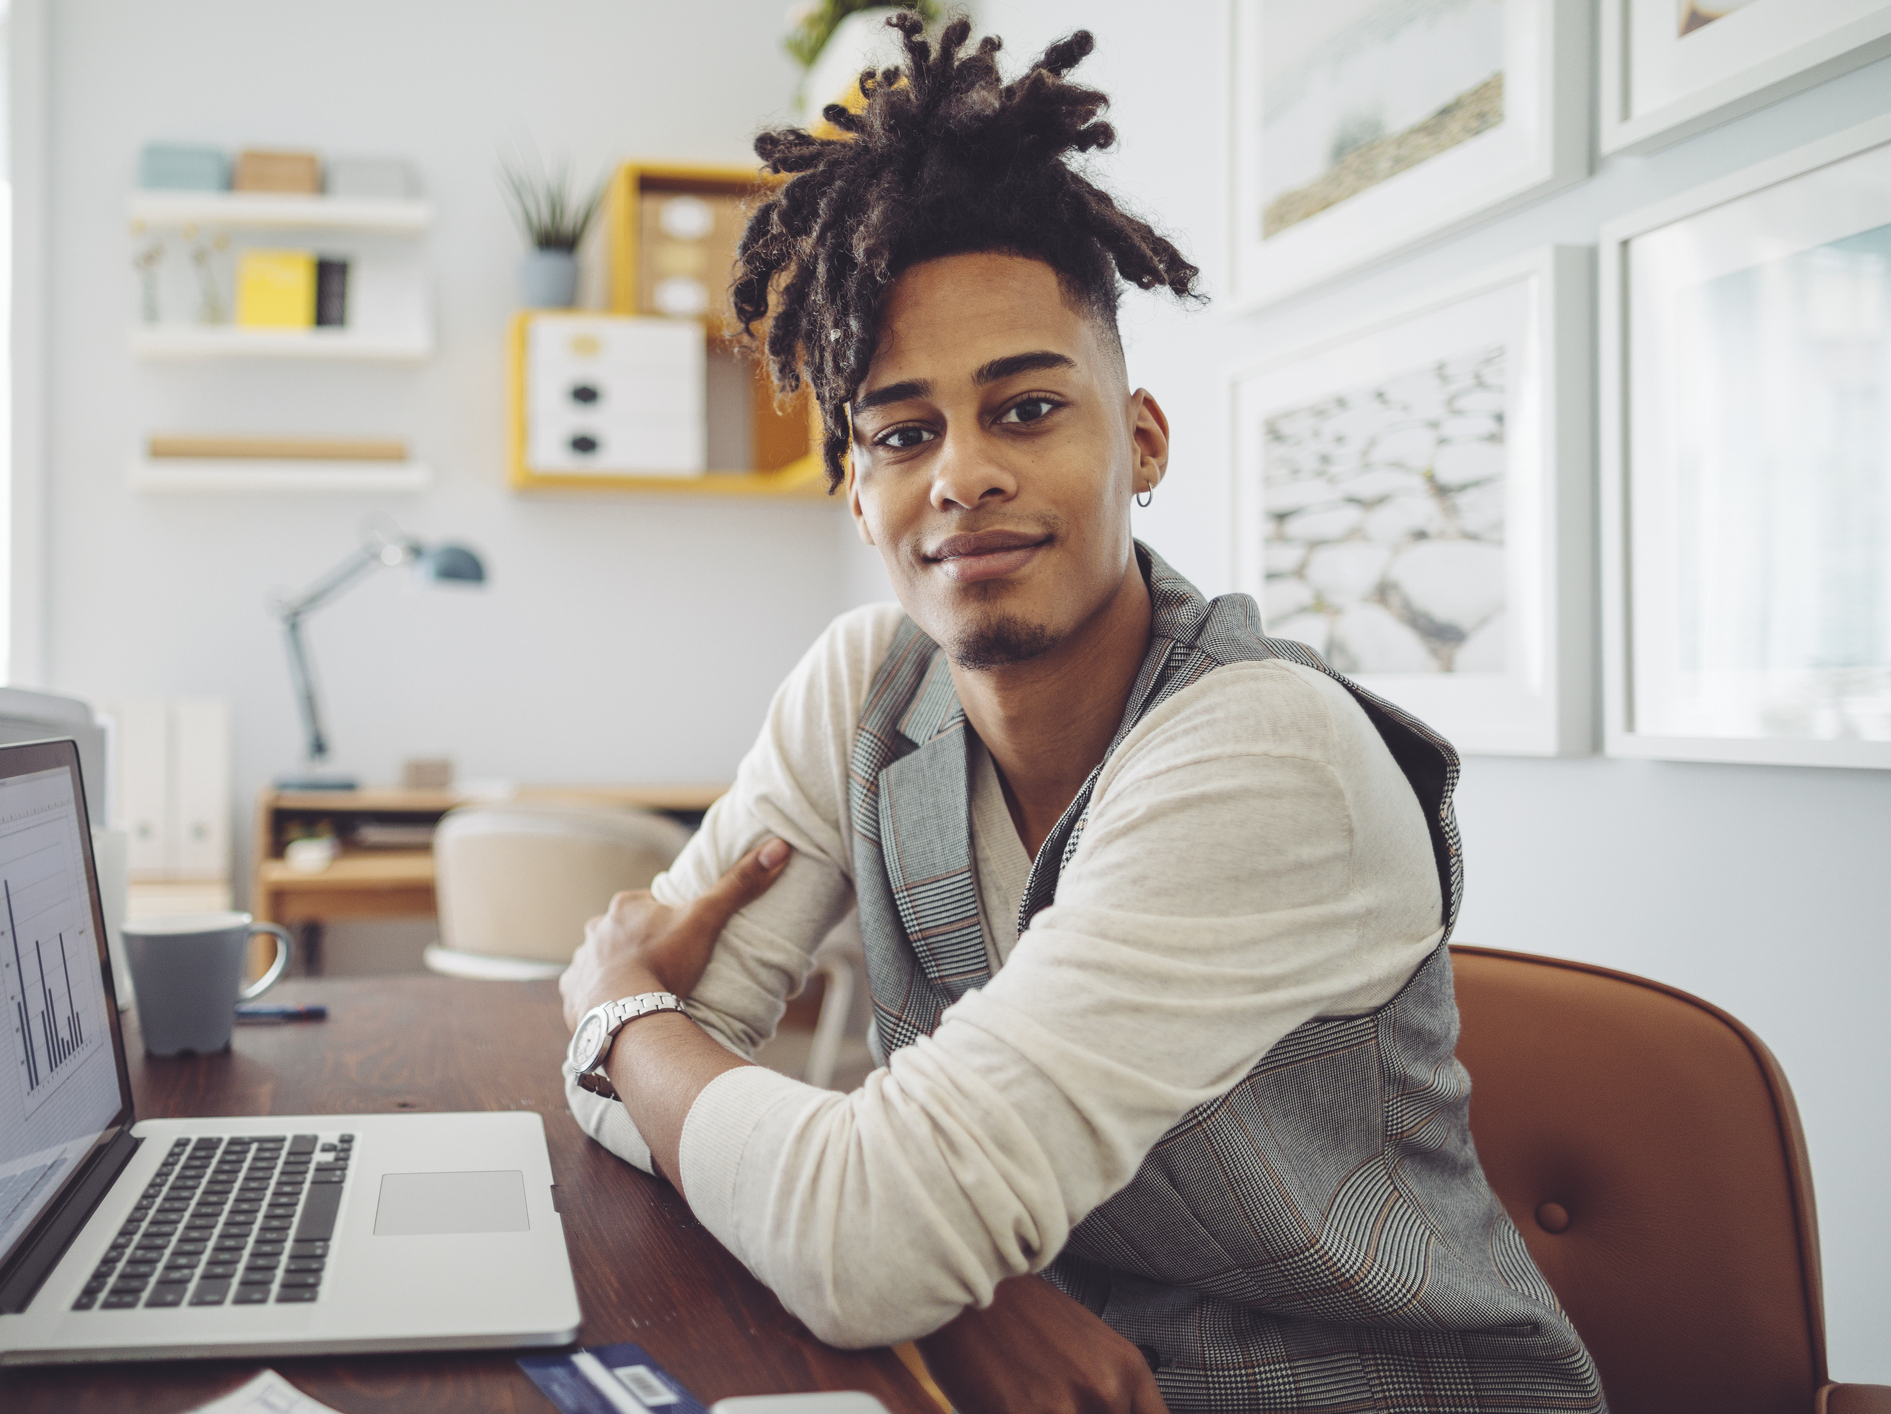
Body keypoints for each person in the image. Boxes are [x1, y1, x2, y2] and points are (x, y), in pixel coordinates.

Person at [558, 17, 1604, 1413]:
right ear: (855, 490)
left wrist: (611, 1005)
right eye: (902, 431)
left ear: (1141, 437)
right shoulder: (862, 693)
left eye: (1028, 405)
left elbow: (774, 1164)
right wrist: (969, 1292)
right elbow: (661, 1112)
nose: (962, 474)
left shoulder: (1265, 752)